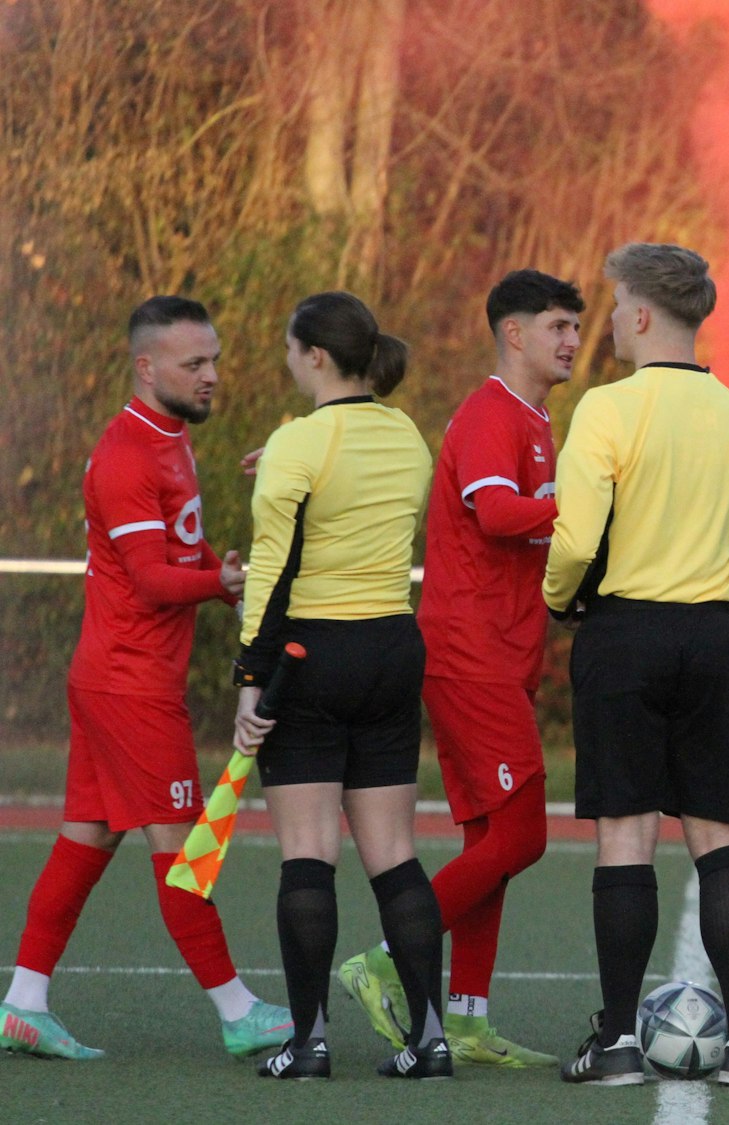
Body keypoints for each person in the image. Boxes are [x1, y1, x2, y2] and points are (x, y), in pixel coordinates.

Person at [0, 298, 291, 1062]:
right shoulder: (129, 453)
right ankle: (236, 1010)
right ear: (146, 367)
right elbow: (150, 578)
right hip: (128, 685)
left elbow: (177, 555)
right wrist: (222, 587)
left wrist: (214, 569)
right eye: (194, 364)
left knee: (83, 842)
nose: (212, 376)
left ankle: (24, 1001)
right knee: (184, 850)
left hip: (120, 678)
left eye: (214, 360)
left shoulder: (173, 441)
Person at [547, 243, 729, 1090]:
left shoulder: (607, 411)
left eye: (614, 304)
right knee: (722, 835)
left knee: (626, 835)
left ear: (644, 314)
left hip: (625, 629)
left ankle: (615, 1039)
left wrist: (559, 594)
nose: (608, 319)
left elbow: (576, 537)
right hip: (712, 632)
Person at [337, 271, 582, 1068]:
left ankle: (468, 1016)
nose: (572, 340)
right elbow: (498, 511)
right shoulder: (489, 413)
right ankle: (380, 960)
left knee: (492, 842)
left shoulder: (539, 419)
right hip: (468, 653)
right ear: (514, 334)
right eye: (557, 326)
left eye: (573, 327)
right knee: (525, 832)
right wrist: (588, 503)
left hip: (505, 656)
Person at [233, 292, 440, 1081]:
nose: (287, 359)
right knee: (394, 855)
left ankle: (310, 1040)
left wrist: (251, 679)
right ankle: (429, 1039)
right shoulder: (406, 434)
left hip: (310, 653)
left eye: (290, 349)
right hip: (392, 645)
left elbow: (272, 574)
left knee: (308, 855)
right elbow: (350, 476)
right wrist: (285, 455)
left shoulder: (298, 444)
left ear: (315, 355)